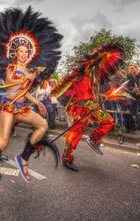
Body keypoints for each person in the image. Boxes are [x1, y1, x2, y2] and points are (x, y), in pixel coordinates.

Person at [0, 6, 62, 198]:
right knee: (0, 145)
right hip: (8, 108)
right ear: (16, 53)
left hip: (21, 107)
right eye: (21, 51)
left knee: (42, 125)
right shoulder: (12, 67)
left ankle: (23, 158)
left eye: (27, 51)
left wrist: (38, 101)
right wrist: (28, 78)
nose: (24, 54)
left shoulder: (28, 71)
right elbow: (11, 84)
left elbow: (24, 92)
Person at [52, 43, 125, 172]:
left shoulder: (93, 78)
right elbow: (80, 97)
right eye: (99, 63)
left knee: (109, 121)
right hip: (78, 107)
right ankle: (66, 157)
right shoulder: (80, 74)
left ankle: (93, 138)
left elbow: (93, 95)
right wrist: (91, 103)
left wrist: (102, 97)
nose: (102, 67)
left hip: (90, 107)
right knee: (76, 132)